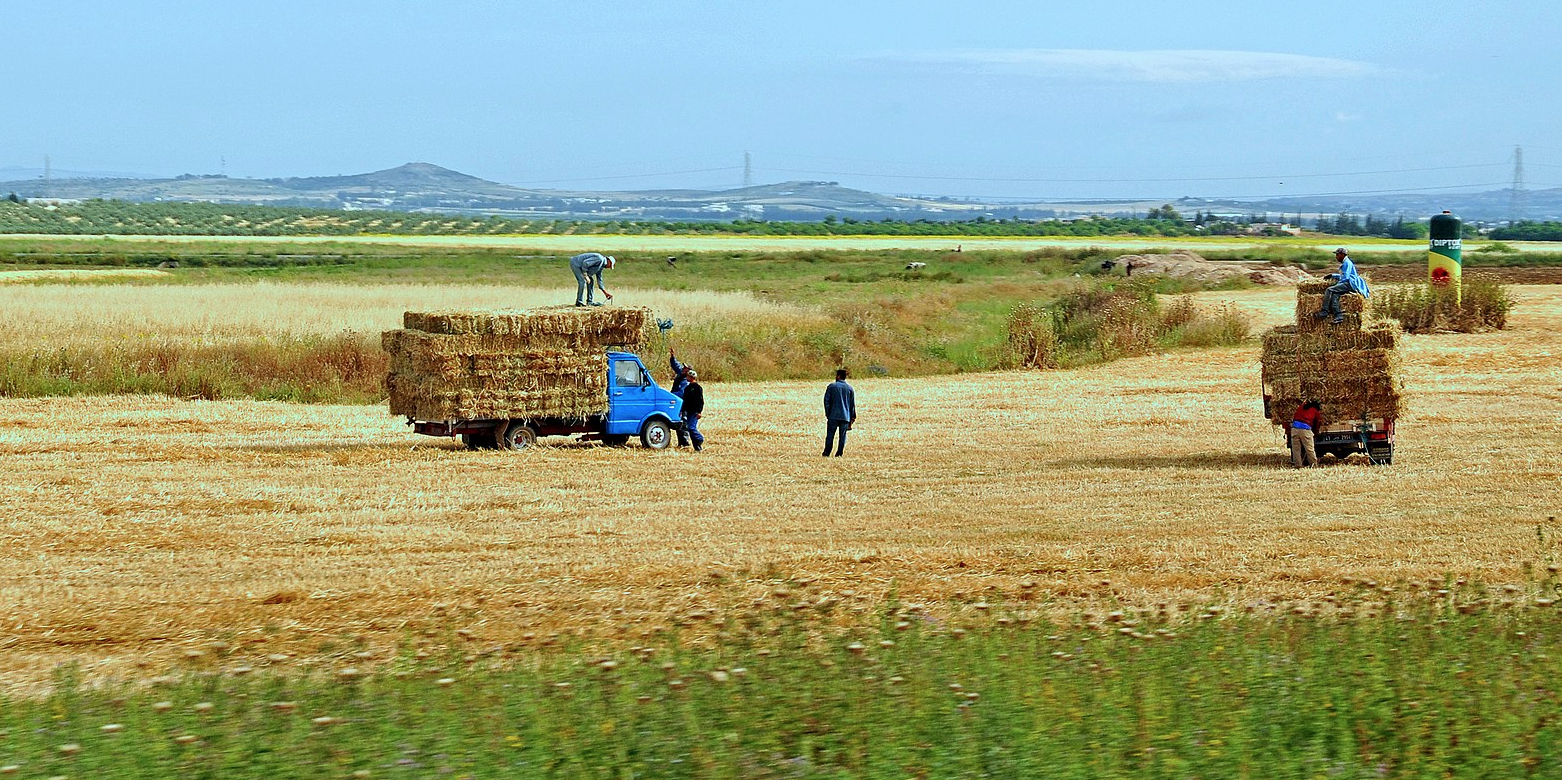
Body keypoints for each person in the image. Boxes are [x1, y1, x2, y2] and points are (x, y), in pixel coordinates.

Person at [1315, 247, 1370, 325]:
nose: (1336, 257)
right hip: (1349, 283)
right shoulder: (1347, 262)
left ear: (1342, 255)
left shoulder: (1346, 263)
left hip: (1350, 284)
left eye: (1337, 255)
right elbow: (1343, 274)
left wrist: (1337, 285)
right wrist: (1333, 275)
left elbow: (1345, 277)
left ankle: (1324, 311)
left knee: (1329, 290)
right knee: (1335, 294)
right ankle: (1338, 315)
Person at [822, 368, 856, 457]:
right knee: (843, 436)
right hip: (845, 416)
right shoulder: (850, 388)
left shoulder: (832, 386)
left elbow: (826, 401)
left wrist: (828, 413)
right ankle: (839, 453)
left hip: (833, 415)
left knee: (830, 435)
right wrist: (852, 417)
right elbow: (852, 404)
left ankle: (827, 452)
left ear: (838, 376)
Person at [669, 347, 693, 447]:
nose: (683, 368)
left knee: (683, 422)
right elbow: (676, 365)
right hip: (677, 402)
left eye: (685, 368)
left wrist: (670, 396)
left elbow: (681, 394)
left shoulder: (686, 383)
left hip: (682, 404)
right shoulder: (681, 374)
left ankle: (685, 444)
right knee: (679, 422)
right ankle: (681, 443)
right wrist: (672, 356)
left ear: (688, 371)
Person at [1289, 400, 1322, 468]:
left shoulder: (1301, 407)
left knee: (1296, 450)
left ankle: (1298, 465)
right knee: (1309, 449)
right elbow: (1317, 423)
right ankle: (1313, 465)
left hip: (1294, 429)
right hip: (1305, 430)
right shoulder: (1315, 411)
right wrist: (1315, 432)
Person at [680, 369, 705, 452]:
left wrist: (699, 412)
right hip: (688, 412)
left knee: (691, 428)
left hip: (694, 412)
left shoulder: (698, 388)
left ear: (692, 377)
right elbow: (685, 401)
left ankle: (700, 438)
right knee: (689, 429)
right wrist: (682, 410)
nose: (686, 377)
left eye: (688, 376)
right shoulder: (687, 388)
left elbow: (700, 401)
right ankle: (697, 447)